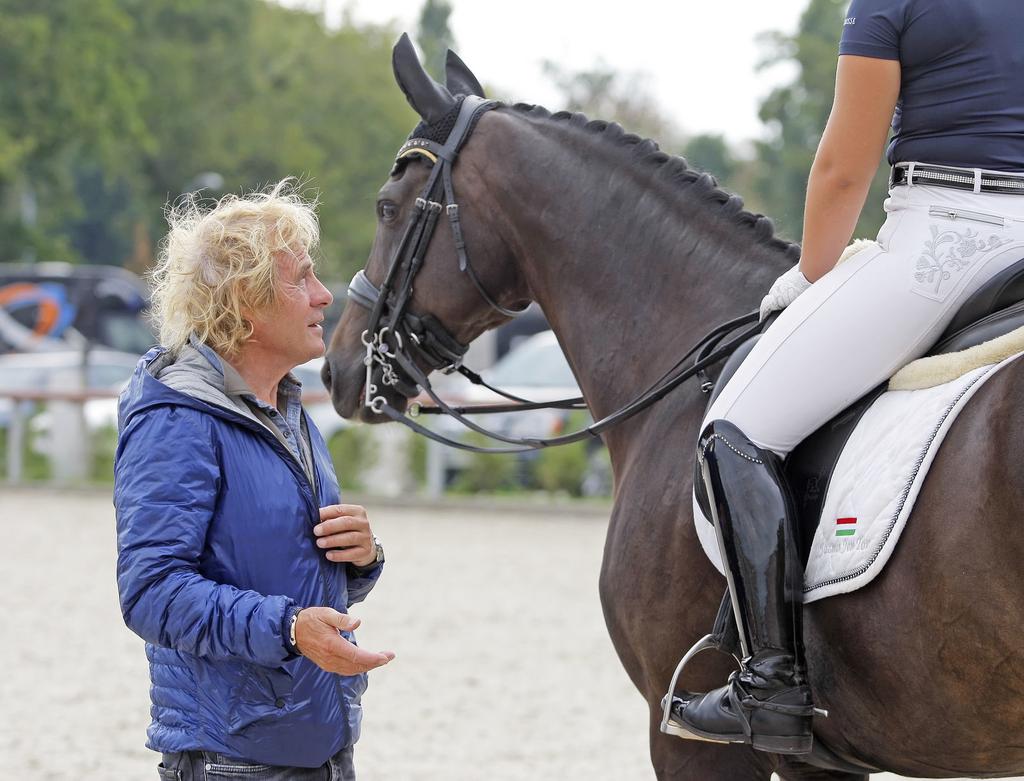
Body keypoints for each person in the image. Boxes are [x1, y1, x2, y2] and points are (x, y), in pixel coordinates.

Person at [668, 0, 1024, 753]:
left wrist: (812, 275)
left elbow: (841, 170)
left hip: (944, 240)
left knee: (734, 432)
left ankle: (769, 685)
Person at [114, 180, 394, 780]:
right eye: (302, 280)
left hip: (323, 751)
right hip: (230, 762)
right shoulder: (175, 420)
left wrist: (360, 558)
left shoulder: (289, 411)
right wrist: (290, 628)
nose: (324, 297)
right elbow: (151, 593)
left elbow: (290, 574)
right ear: (246, 300)